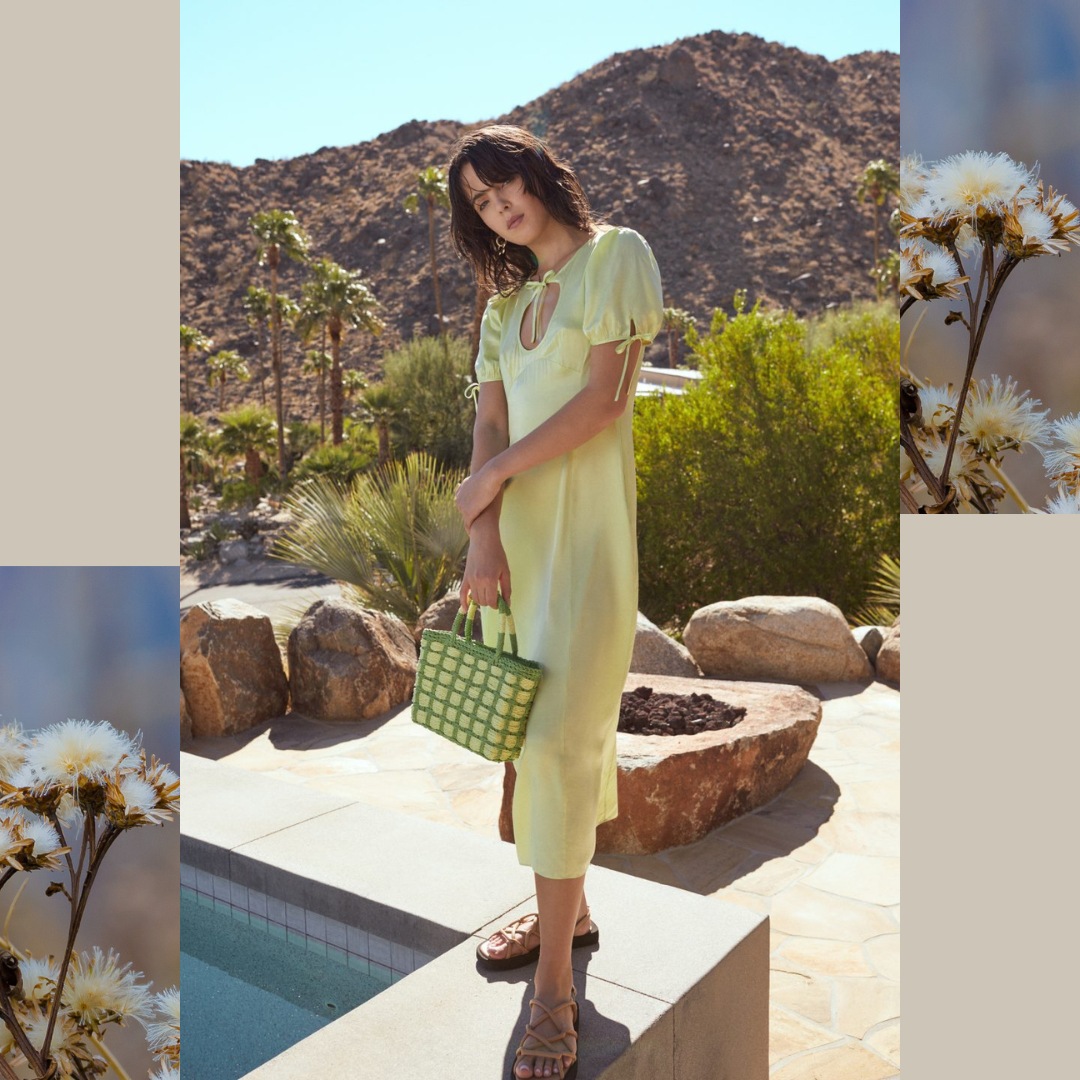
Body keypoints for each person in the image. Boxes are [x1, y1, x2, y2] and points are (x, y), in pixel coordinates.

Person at [448, 124, 663, 1080]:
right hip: (514, 557)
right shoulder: (505, 307)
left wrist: (492, 476)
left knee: (561, 741)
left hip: (582, 552)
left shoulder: (618, 256)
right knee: (530, 747)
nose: (500, 209)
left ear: (537, 174)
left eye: (505, 187)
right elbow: (490, 417)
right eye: (482, 203)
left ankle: (555, 996)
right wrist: (482, 532)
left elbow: (603, 404)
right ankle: (564, 911)